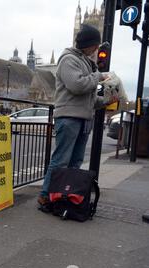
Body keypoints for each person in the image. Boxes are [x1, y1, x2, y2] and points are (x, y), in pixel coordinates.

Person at [38, 24, 117, 211]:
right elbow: (77, 86)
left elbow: (87, 97)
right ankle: (45, 196)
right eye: (95, 45)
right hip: (69, 117)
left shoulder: (86, 62)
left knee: (75, 161)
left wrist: (106, 100)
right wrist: (98, 77)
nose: (97, 49)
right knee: (61, 160)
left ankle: (64, 194)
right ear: (87, 44)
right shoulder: (69, 59)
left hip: (83, 118)